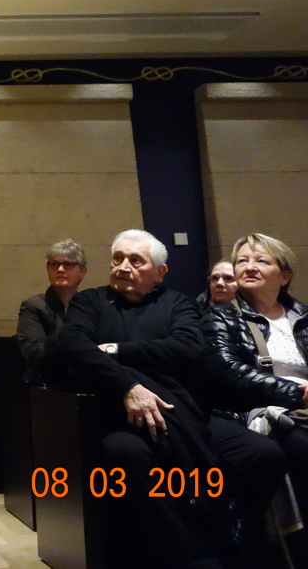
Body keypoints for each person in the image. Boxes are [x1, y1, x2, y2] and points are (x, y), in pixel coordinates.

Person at [55, 229, 284, 569]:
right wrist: (129, 386)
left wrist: (116, 350)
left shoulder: (178, 303)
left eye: (136, 261)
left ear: (159, 272)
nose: (123, 267)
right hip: (119, 413)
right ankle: (193, 555)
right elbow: (73, 346)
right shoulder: (90, 301)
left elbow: (186, 347)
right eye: (118, 259)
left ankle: (230, 530)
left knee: (262, 453)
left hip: (183, 411)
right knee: (126, 453)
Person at [203, 234, 308, 502]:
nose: (249, 267)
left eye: (261, 261)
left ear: (284, 276)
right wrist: (297, 393)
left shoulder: (303, 316)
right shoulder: (220, 316)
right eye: (242, 261)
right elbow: (227, 370)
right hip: (259, 410)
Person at [16, 238, 86, 382]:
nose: (60, 269)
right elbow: (35, 353)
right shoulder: (33, 306)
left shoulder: (88, 306)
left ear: (83, 272)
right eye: (54, 264)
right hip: (45, 384)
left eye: (68, 264)